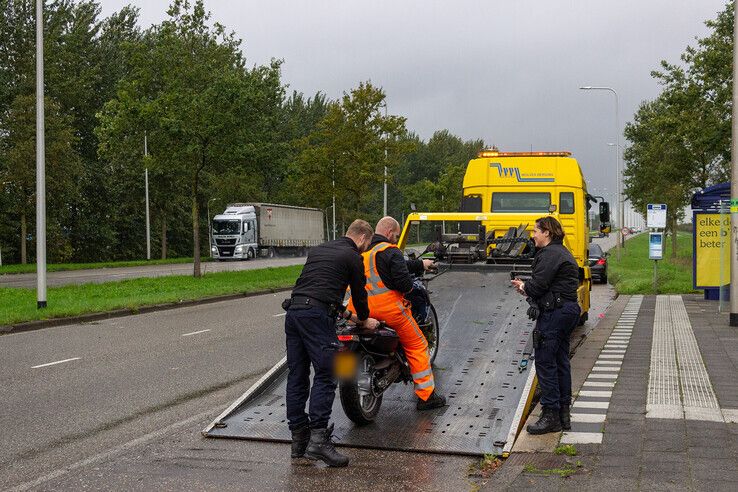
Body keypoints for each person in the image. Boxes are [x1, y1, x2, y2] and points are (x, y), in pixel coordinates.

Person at [285, 219, 380, 467]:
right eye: (366, 245)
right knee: (328, 374)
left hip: (294, 313)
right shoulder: (352, 257)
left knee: (297, 375)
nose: (365, 249)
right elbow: (359, 295)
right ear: (362, 238)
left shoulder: (319, 250)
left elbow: (317, 290)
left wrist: (348, 316)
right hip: (316, 318)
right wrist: (364, 320)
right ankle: (318, 442)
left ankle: (299, 441)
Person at [348, 216, 446, 410]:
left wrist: (420, 264)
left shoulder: (360, 252)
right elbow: (404, 284)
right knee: (418, 345)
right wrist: (408, 288)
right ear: (390, 233)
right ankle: (427, 397)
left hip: (358, 312)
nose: (396, 239)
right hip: (388, 311)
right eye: (396, 236)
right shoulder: (390, 251)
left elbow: (391, 267)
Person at [511, 216, 580, 435]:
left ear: (547, 233)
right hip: (566, 310)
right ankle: (563, 413)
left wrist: (524, 286)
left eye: (535, 231)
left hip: (555, 314)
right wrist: (529, 289)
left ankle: (550, 415)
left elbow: (539, 285)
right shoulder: (562, 252)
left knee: (545, 362)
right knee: (560, 361)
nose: (532, 235)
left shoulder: (550, 254)